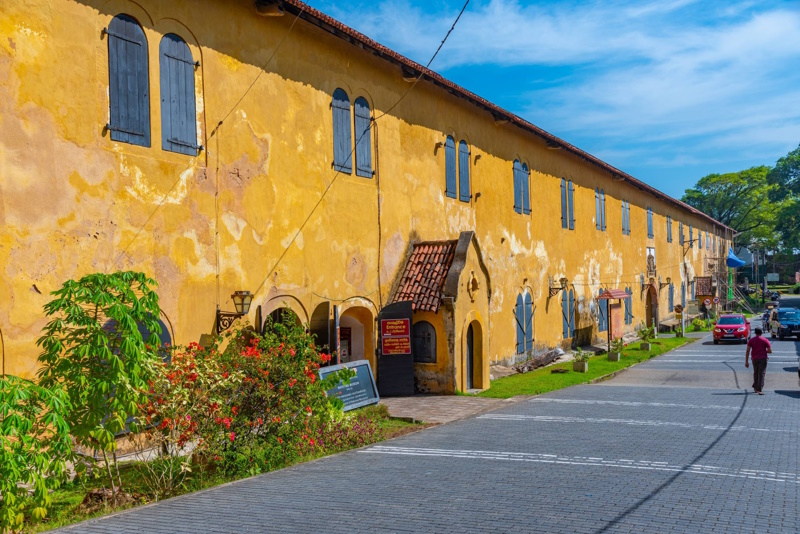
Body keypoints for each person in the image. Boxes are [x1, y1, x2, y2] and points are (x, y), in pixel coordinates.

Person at [745, 327, 772, 395]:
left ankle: (755, 387)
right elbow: (770, 350)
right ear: (761, 332)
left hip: (754, 358)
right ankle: (759, 389)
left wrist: (746, 361)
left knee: (756, 372)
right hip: (763, 358)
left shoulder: (751, 340)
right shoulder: (765, 340)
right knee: (761, 373)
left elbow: (748, 350)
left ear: (755, 333)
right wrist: (765, 350)